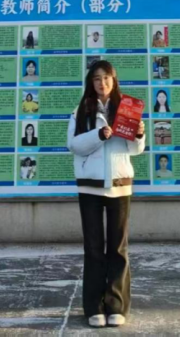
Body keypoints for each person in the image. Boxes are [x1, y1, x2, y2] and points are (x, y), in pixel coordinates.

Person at [67, 60, 146, 330]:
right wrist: (98, 135)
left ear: (114, 80)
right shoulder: (81, 110)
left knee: (117, 248)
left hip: (120, 185)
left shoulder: (126, 109)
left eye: (107, 78)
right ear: (91, 82)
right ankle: (94, 307)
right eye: (97, 78)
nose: (102, 83)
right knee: (93, 248)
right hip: (89, 186)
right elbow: (73, 145)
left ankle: (116, 306)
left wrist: (139, 135)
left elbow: (134, 150)